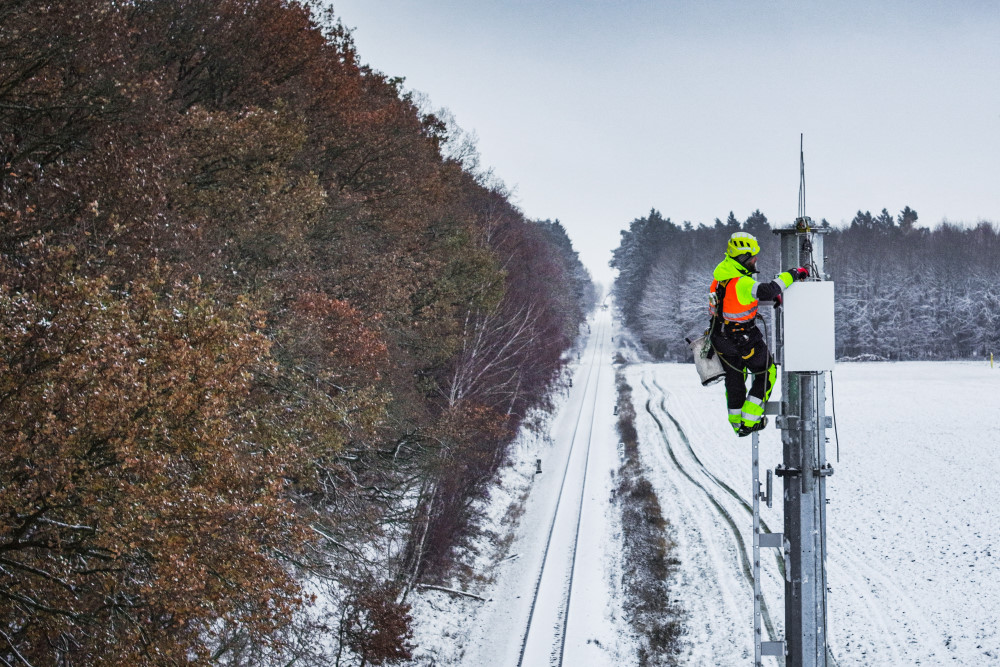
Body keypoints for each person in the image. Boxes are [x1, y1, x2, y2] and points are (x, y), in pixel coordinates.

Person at [709, 232, 809, 436]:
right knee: (767, 372)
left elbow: (731, 304)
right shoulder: (741, 283)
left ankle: (737, 423)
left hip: (722, 338)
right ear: (743, 258)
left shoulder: (719, 279)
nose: (756, 259)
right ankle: (750, 420)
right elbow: (767, 290)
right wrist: (793, 273)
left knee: (735, 379)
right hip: (743, 339)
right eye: (753, 256)